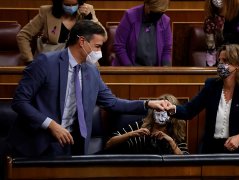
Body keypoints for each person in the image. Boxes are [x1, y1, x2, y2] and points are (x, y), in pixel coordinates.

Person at [6, 20, 170, 158]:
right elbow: (19, 102)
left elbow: (112, 103)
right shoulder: (45, 63)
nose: (100, 52)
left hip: (70, 145)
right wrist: (51, 125)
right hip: (37, 143)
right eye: (98, 46)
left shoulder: (91, 71)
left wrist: (148, 103)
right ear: (82, 42)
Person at [165, 44, 239, 153]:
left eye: (225, 60)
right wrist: (172, 109)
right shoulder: (212, 86)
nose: (220, 64)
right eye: (219, 61)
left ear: (237, 64)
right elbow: (189, 110)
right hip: (213, 150)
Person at [16, 0, 106, 65]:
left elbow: (104, 36)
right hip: (52, 61)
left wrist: (89, 18)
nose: (71, 8)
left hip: (81, 60)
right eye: (67, 4)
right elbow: (23, 35)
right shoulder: (47, 12)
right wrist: (30, 61)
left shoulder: (87, 10)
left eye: (74, 4)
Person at [105, 94, 188, 155]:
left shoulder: (176, 132)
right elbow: (109, 144)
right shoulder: (140, 126)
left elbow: (185, 160)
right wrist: (131, 134)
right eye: (158, 109)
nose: (161, 113)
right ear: (153, 110)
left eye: (165, 110)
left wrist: (171, 141)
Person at [112, 0, 172, 66]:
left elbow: (166, 49)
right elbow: (119, 46)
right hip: (128, 69)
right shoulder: (130, 16)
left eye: (161, 13)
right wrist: (130, 70)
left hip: (154, 71)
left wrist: (166, 69)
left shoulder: (165, 21)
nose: (158, 16)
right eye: (154, 12)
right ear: (146, 5)